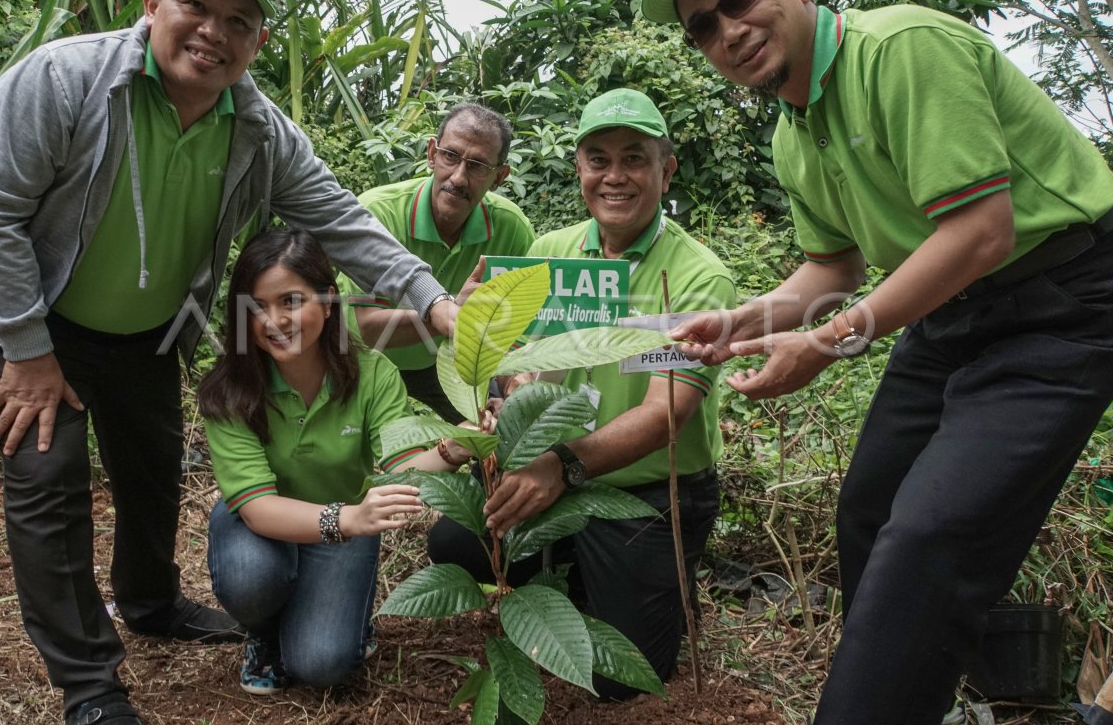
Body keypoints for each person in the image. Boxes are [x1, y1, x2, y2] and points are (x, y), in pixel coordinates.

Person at [0, 0, 456, 725]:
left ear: (257, 43)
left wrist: (433, 301)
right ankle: (90, 686)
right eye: (196, 7)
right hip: (28, 319)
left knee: (150, 471)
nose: (214, 31)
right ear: (153, 5)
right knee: (49, 483)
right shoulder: (62, 80)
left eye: (239, 20)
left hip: (144, 331)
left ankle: (149, 602)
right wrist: (27, 350)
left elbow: (341, 222)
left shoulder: (257, 128)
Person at [640, 0, 1113, 723]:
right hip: (951, 310)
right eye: (702, 26)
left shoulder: (900, 48)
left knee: (930, 538)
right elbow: (835, 269)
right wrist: (740, 320)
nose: (727, 30)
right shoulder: (795, 131)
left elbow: (980, 234)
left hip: (1059, 301)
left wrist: (827, 343)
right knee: (869, 508)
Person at [428, 88, 736, 699]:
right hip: (555, 468)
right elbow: (530, 371)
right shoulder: (550, 254)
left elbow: (664, 415)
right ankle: (570, 574)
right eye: (598, 159)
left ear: (666, 168)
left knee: (619, 683)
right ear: (579, 169)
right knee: (455, 539)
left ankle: (638, 584)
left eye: (634, 159)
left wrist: (562, 465)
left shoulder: (698, 276)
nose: (613, 176)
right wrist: (510, 389)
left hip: (646, 488)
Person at [200, 228, 473, 696]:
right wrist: (349, 518)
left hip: (342, 531)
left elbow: (402, 463)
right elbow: (258, 506)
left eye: (290, 301)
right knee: (251, 576)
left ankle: (336, 617)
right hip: (268, 526)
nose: (274, 320)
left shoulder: (370, 373)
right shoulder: (231, 390)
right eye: (257, 307)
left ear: (328, 302)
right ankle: (264, 635)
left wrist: (457, 447)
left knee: (323, 666)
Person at [341, 103, 535, 421]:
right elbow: (365, 331)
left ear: (499, 177)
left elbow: (516, 330)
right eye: (450, 156)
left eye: (477, 166)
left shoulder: (512, 228)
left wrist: (515, 383)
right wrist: (447, 314)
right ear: (432, 154)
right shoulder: (379, 213)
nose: (458, 177)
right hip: (367, 362)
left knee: (500, 431)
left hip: (451, 363)